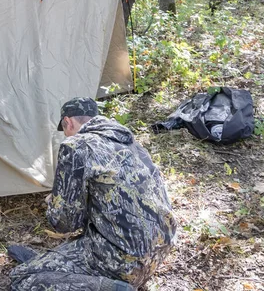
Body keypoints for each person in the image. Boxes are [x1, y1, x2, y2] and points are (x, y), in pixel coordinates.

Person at [9, 97, 177, 291]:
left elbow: (65, 223)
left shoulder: (76, 147)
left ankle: (108, 287)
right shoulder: (128, 141)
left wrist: (55, 200)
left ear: (68, 122)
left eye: (64, 130)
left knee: (21, 279)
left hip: (122, 261)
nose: (65, 135)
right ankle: (49, 265)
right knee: (51, 261)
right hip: (158, 250)